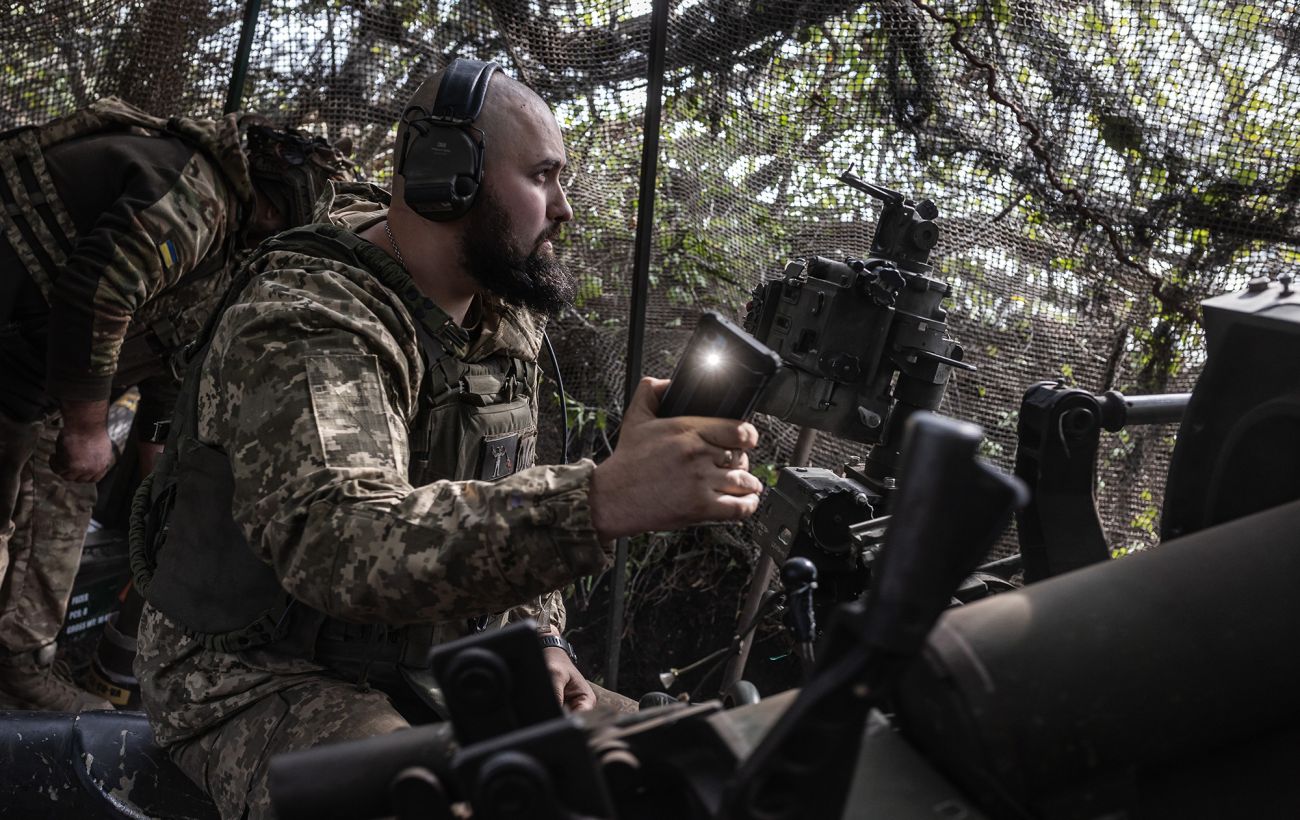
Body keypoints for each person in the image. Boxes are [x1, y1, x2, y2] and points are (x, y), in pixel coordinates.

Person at [131, 58, 764, 818]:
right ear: (446, 175)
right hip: (254, 674)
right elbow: (338, 543)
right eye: (542, 176)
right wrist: (598, 500)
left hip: (432, 664)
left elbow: (499, 496)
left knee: (691, 767)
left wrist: (541, 641)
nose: (563, 208)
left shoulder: (500, 319)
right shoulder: (313, 319)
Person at [0, 97, 352, 711]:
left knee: (67, 491)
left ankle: (20, 663)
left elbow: (171, 356)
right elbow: (100, 288)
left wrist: (153, 489)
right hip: (14, 342)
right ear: (273, 205)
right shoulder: (198, 196)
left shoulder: (232, 251)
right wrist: (88, 427)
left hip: (34, 373)